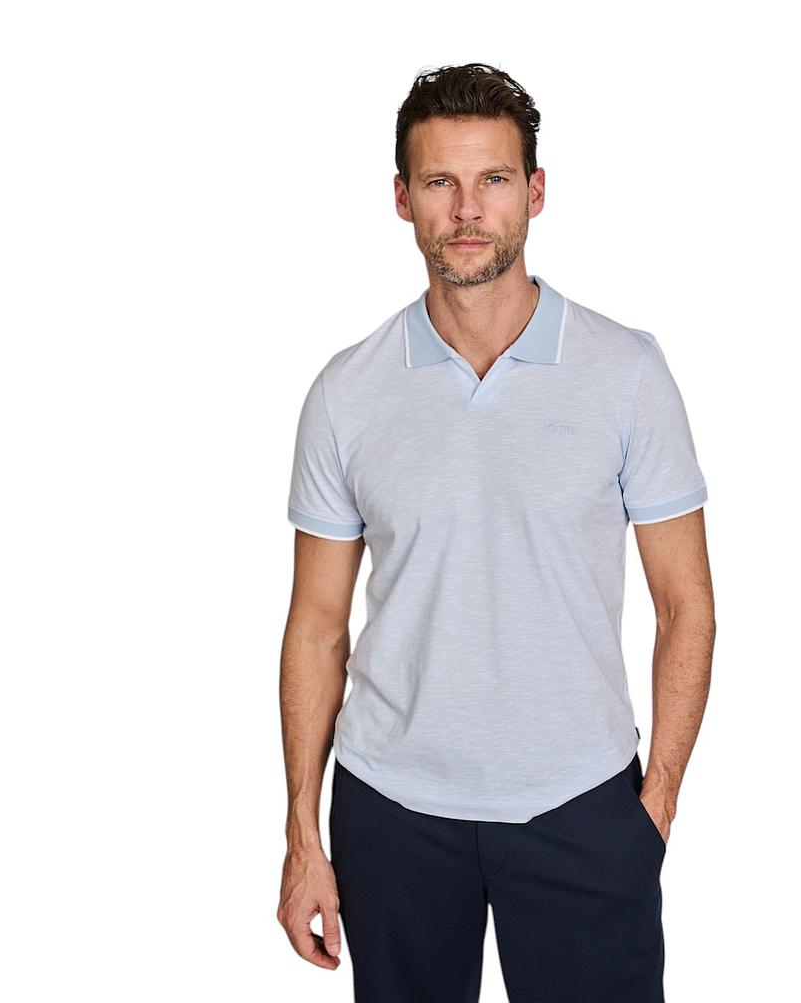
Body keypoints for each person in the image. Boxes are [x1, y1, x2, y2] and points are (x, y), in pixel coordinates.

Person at [276, 62, 716, 1002]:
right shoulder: (347, 391)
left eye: (495, 179)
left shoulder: (627, 372)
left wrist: (656, 807)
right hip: (391, 810)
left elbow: (687, 606)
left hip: (583, 805)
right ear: (404, 198)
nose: (468, 209)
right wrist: (303, 836)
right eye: (441, 181)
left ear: (536, 192)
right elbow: (316, 626)